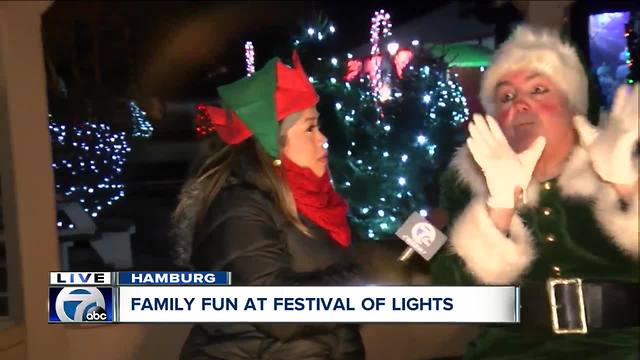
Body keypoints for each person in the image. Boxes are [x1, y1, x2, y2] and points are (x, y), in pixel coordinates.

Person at [430, 25, 639, 359]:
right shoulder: (468, 181)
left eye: (538, 90)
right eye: (506, 96)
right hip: (509, 350)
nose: (520, 105)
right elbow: (451, 297)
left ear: (572, 105)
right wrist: (499, 206)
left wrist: (627, 187)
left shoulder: (622, 157)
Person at [171, 52, 365, 360]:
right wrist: (366, 278)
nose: (324, 139)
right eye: (310, 128)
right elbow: (277, 309)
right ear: (272, 142)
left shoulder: (315, 204)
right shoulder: (237, 208)